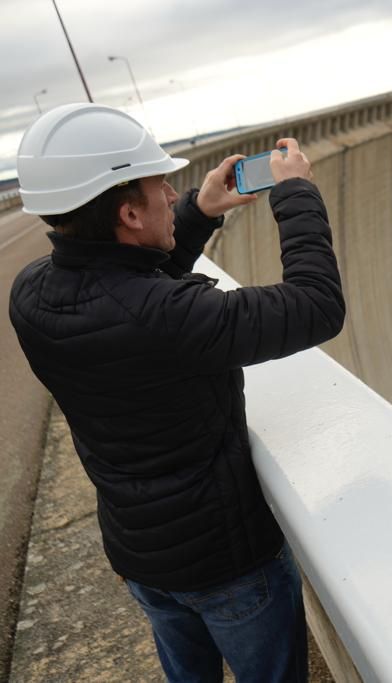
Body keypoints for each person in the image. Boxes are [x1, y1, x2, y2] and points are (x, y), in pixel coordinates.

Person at [8, 103, 345, 682]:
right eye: (159, 184)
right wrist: (294, 194)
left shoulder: (32, 293)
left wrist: (199, 211)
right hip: (228, 566)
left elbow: (125, 287)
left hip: (143, 559)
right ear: (128, 212)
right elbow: (317, 306)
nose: (171, 191)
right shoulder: (167, 318)